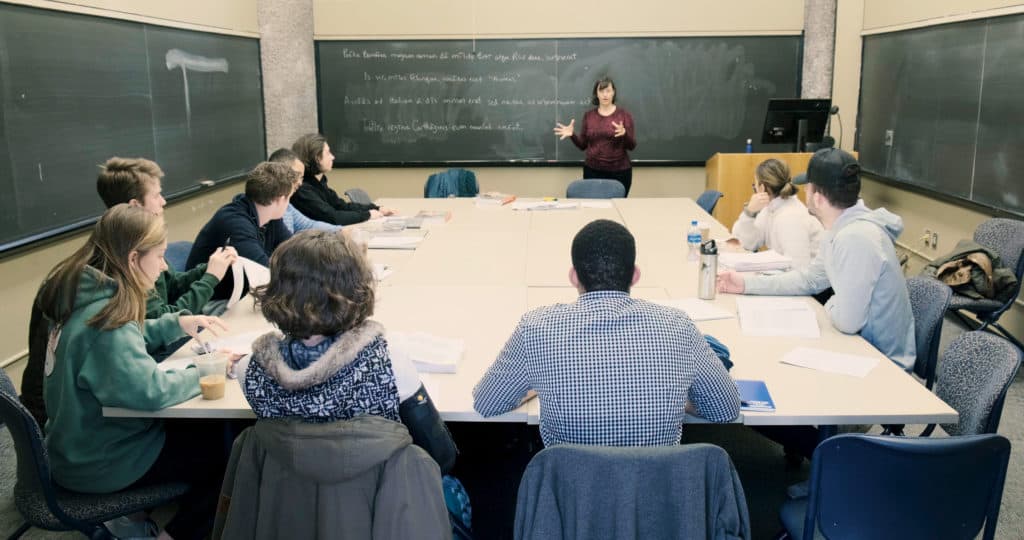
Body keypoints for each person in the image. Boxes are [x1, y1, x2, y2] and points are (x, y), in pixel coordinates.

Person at [221, 230, 451, 538]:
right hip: (373, 516)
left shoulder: (250, 369)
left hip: (285, 515)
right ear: (356, 289)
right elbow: (440, 453)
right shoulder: (389, 362)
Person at [37, 204, 230, 540]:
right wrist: (207, 369)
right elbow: (151, 392)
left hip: (72, 446)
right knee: (229, 454)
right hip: (101, 462)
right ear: (132, 259)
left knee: (205, 435)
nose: (164, 266)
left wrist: (176, 323)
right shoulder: (108, 321)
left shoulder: (82, 297)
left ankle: (140, 519)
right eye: (159, 256)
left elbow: (129, 335)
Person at [472, 219, 740, 447]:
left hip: (571, 499)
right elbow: (725, 409)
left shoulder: (536, 329)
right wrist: (676, 399)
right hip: (657, 498)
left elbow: (487, 403)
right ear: (635, 276)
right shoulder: (677, 325)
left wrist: (535, 386)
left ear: (573, 276)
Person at [717, 148, 915, 371]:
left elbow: (848, 322)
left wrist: (830, 303)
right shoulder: (838, 229)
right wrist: (745, 284)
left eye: (808, 188)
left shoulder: (856, 238)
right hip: (859, 346)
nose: (803, 193)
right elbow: (810, 279)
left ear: (818, 199)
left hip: (882, 364)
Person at [96, 157, 238, 316]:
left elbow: (173, 285)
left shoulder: (145, 243)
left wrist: (212, 267)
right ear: (135, 205)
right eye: (156, 196)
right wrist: (210, 278)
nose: (163, 201)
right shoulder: (130, 259)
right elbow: (165, 320)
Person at [186, 161, 294, 298]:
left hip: (241, 291)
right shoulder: (235, 223)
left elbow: (294, 250)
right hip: (209, 300)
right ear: (279, 199)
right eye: (289, 198)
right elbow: (264, 272)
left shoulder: (271, 217)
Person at [731, 158, 823, 268]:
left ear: (762, 187)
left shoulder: (790, 217)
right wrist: (749, 213)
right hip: (790, 276)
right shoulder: (771, 208)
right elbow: (748, 243)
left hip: (812, 282)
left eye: (754, 186)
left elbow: (799, 270)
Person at [554, 77, 637, 196]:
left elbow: (632, 146)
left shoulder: (624, 115)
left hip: (620, 172)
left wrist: (624, 134)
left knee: (616, 209)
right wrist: (572, 135)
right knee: (592, 207)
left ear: (613, 92)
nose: (605, 95)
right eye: (601, 91)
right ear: (596, 94)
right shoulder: (589, 116)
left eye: (608, 91)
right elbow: (582, 145)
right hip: (592, 172)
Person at [290, 133, 395, 225]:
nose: (333, 157)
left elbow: (341, 206)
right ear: (317, 158)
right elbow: (333, 217)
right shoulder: (303, 189)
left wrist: (376, 208)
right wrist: (367, 215)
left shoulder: (319, 182)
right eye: (328, 153)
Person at [266, 148, 342, 234]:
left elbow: (309, 225)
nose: (300, 182)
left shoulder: (288, 207)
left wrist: (343, 230)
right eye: (296, 175)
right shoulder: (266, 207)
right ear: (280, 172)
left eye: (301, 177)